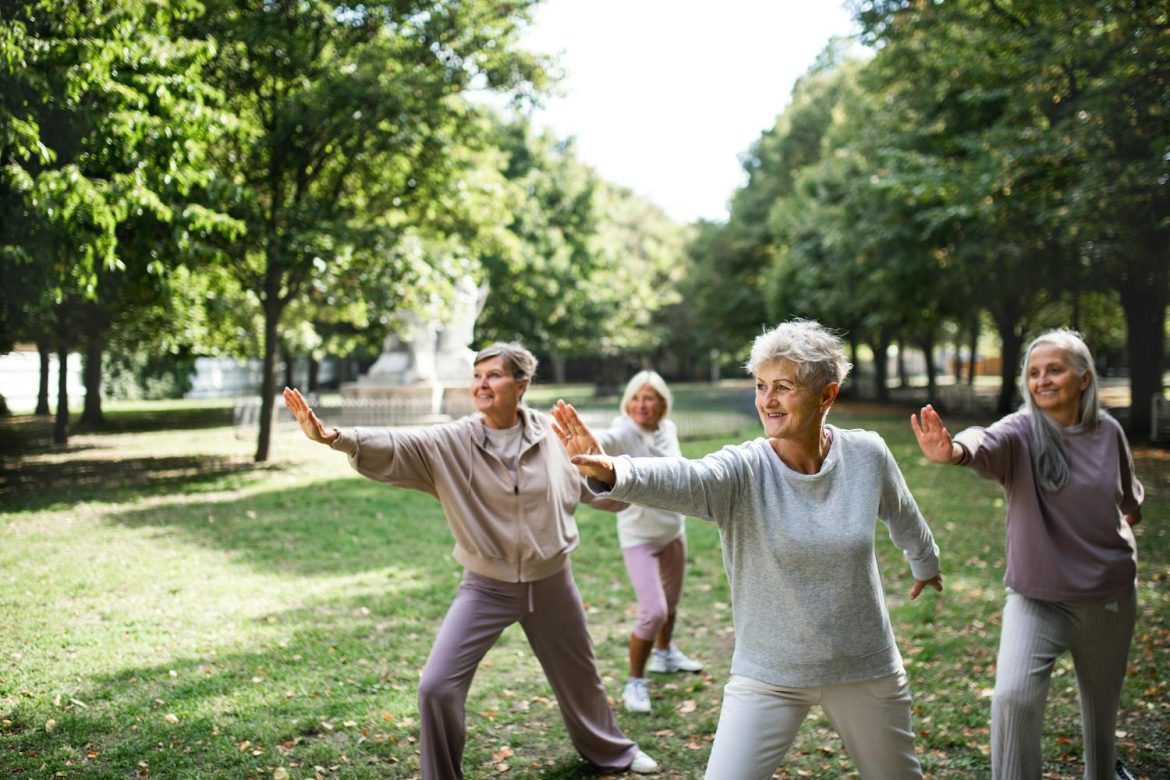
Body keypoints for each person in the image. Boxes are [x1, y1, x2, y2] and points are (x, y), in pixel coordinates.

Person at [552, 320, 943, 779]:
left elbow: (903, 515)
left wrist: (925, 562)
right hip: (769, 674)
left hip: (863, 666)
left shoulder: (867, 454)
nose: (767, 400)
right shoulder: (744, 468)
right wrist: (614, 472)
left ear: (827, 396)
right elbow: (686, 478)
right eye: (760, 386)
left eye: (784, 387)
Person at [282, 342, 660, 779]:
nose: (481, 384)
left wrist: (606, 476)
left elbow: (603, 494)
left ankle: (612, 751)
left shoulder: (554, 434)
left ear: (521, 385)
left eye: (493, 375)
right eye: (477, 375)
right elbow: (398, 443)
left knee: (581, 679)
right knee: (436, 687)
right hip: (486, 586)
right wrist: (336, 438)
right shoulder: (453, 440)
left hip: (553, 579)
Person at [911, 329, 1143, 780]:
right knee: (1011, 698)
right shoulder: (1020, 432)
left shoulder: (1109, 431)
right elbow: (983, 441)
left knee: (1101, 714)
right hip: (1039, 598)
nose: (1043, 381)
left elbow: (1129, 505)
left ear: (1084, 378)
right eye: (1034, 373)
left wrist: (1107, 538)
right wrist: (955, 451)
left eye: (1054, 370)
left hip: (1108, 597)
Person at [595, 371, 703, 714]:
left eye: (650, 398)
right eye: (637, 398)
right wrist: (586, 443)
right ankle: (634, 682)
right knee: (653, 611)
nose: (642, 405)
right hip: (638, 536)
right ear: (628, 402)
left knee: (670, 605)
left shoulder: (667, 430)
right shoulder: (623, 431)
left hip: (673, 530)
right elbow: (603, 442)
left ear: (662, 404)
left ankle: (665, 655)